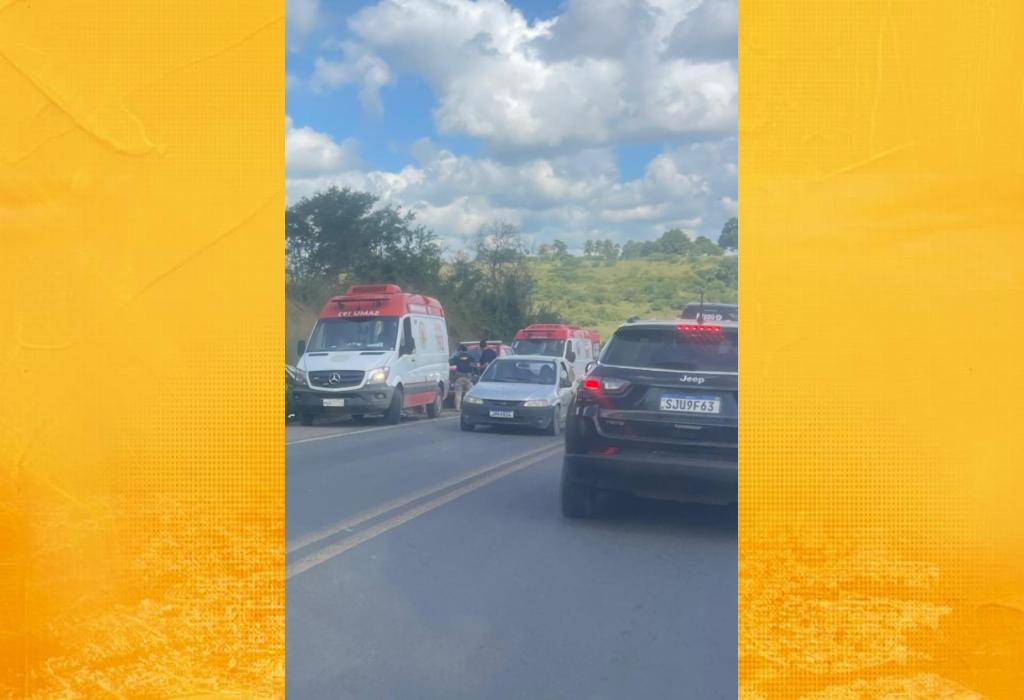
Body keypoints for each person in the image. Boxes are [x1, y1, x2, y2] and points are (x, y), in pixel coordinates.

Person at [452, 343, 476, 411]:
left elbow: (451, 362)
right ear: (466, 350)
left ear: (460, 350)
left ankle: (457, 408)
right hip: (468, 378)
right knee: (468, 394)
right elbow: (474, 362)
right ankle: (467, 407)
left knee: (458, 394)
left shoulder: (457, 357)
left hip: (459, 378)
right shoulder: (470, 356)